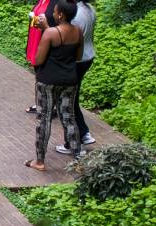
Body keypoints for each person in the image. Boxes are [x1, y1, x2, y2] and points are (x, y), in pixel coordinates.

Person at [25, 0, 83, 171]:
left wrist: (46, 30)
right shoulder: (78, 32)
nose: (53, 13)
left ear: (61, 15)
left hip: (47, 80)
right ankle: (78, 159)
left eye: (55, 12)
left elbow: (39, 59)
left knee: (44, 118)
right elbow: (78, 57)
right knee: (69, 117)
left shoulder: (50, 33)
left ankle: (40, 161)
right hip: (69, 80)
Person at [57, 0, 98, 154]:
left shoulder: (76, 14)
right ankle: (83, 133)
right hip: (87, 56)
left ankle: (75, 140)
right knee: (73, 98)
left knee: (67, 100)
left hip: (76, 60)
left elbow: (70, 39)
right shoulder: (90, 9)